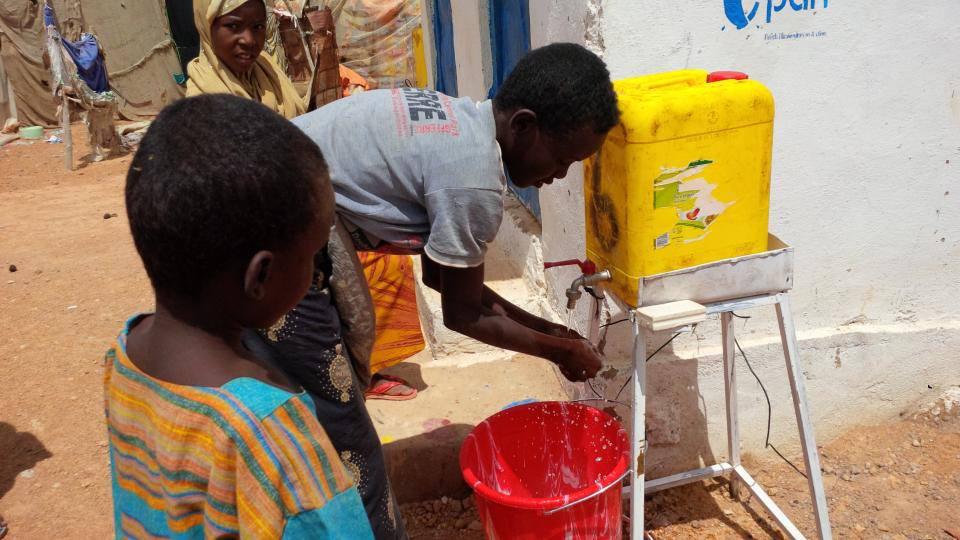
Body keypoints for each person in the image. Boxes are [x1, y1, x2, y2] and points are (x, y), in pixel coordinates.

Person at [105, 94, 373, 539]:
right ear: (261, 275)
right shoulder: (272, 434)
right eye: (312, 255)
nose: (316, 272)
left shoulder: (125, 355)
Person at [289, 42, 620, 382]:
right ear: (523, 125)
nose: (561, 175)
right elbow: (463, 314)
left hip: (283, 181)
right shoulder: (474, 181)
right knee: (330, 384)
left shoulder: (463, 120)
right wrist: (559, 351)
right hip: (278, 214)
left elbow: (440, 277)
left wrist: (551, 330)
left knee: (339, 362)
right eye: (562, 159)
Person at [186, 0, 305, 118]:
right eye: (233, 26)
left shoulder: (267, 69)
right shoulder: (200, 109)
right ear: (207, 27)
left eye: (258, 27)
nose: (249, 40)